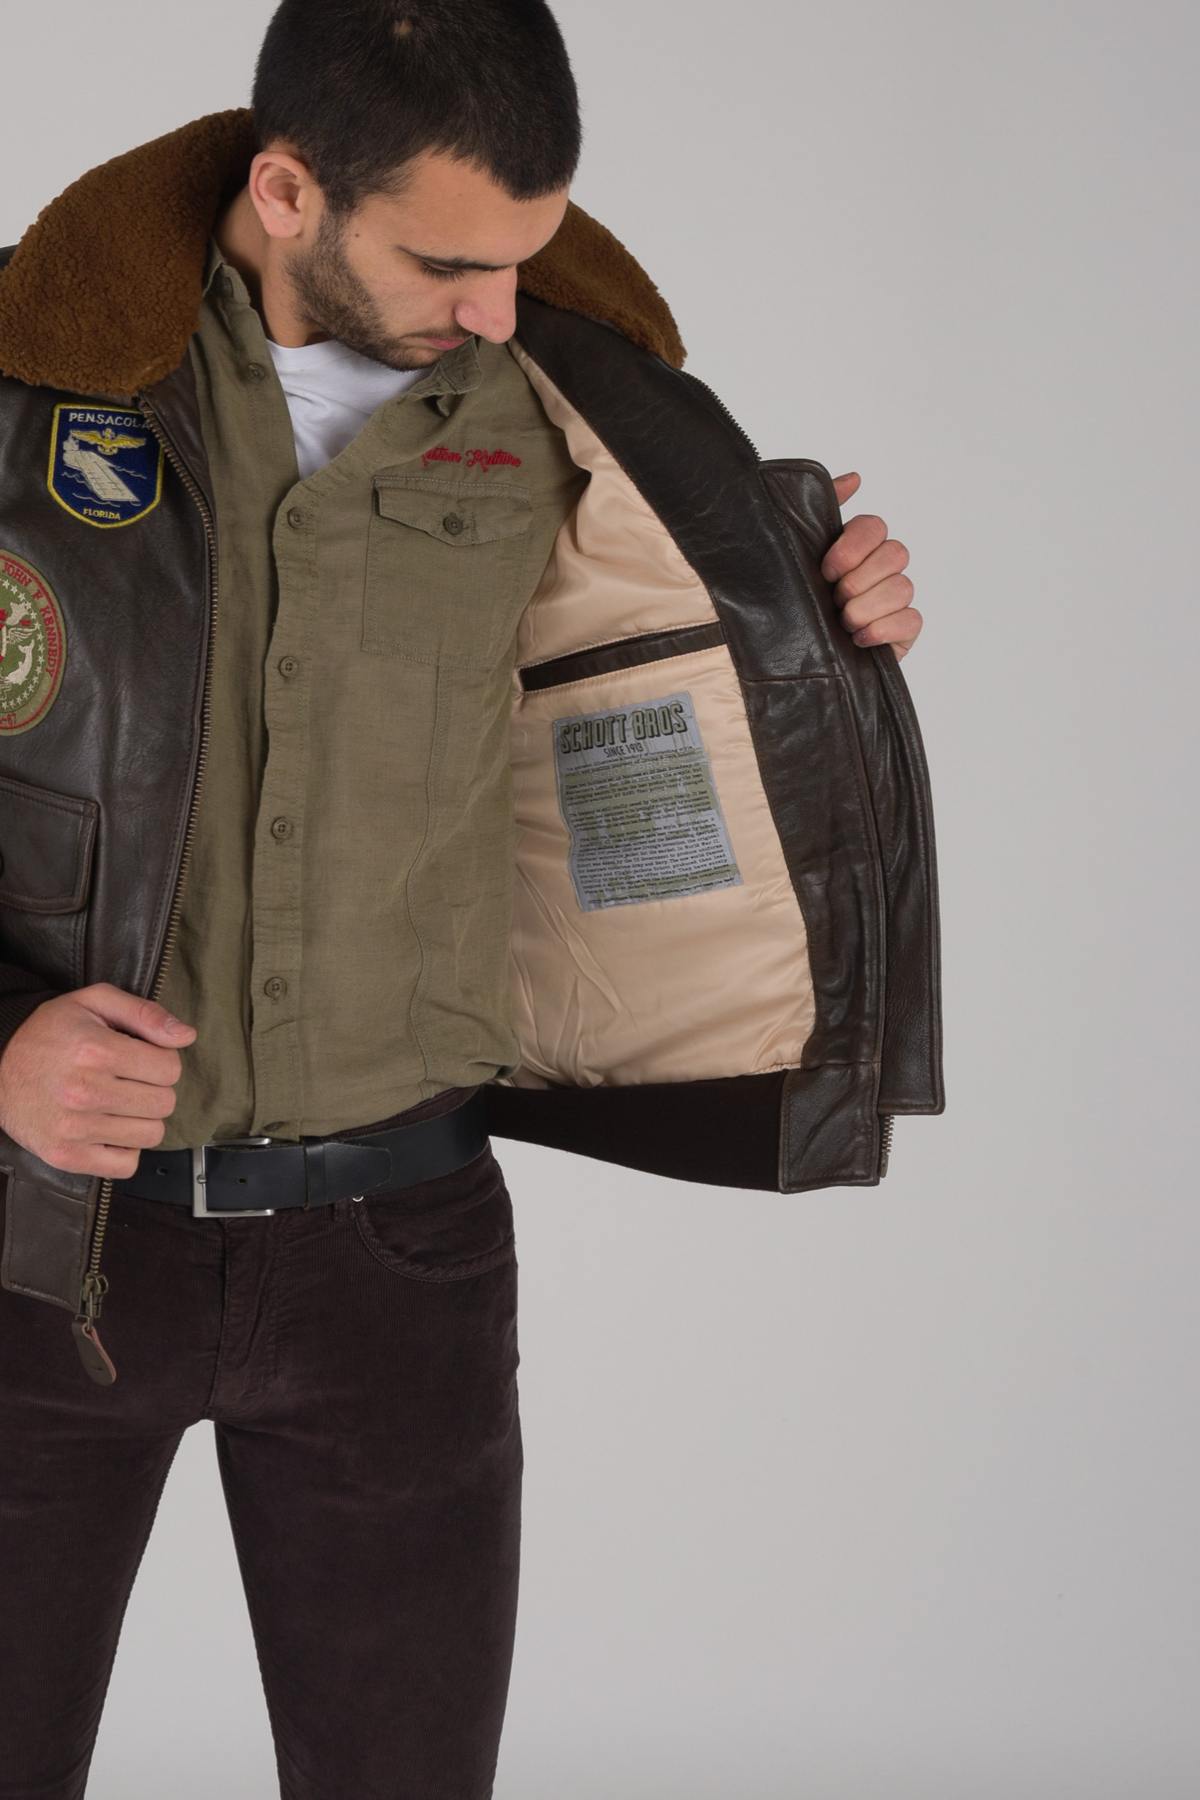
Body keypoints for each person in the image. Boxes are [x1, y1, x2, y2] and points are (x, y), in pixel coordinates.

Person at [0, 2, 931, 1795]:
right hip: (40, 1243)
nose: (498, 306)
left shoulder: (572, 407)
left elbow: (681, 673)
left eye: (525, 255)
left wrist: (828, 627)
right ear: (290, 190)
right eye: (447, 261)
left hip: (398, 1264)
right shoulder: (27, 390)